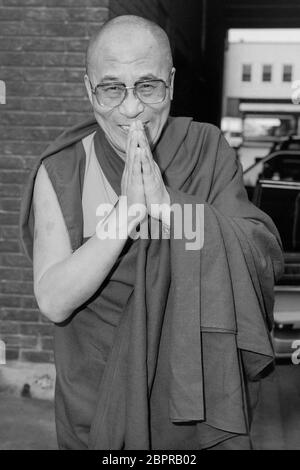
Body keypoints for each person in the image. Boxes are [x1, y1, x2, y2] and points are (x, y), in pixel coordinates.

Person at [20, 15, 284, 450]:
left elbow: (250, 253)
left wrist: (166, 205)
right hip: (98, 396)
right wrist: (127, 213)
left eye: (148, 86)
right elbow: (53, 301)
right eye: (111, 89)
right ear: (89, 90)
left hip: (191, 394)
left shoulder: (206, 149)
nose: (130, 109)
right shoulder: (65, 167)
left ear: (171, 84)